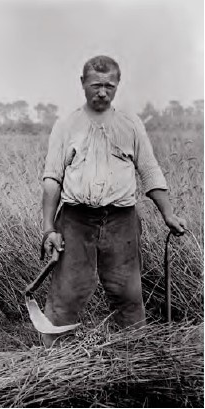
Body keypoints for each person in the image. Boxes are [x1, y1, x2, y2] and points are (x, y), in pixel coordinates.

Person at [40, 55, 186, 347]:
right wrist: (48, 228)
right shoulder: (66, 125)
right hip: (75, 222)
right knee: (67, 294)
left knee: (128, 295)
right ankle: (54, 362)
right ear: (82, 84)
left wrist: (168, 213)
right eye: (96, 85)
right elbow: (52, 179)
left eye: (109, 85)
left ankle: (133, 361)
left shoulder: (130, 124)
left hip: (122, 222)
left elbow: (149, 170)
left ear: (118, 84)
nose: (103, 92)